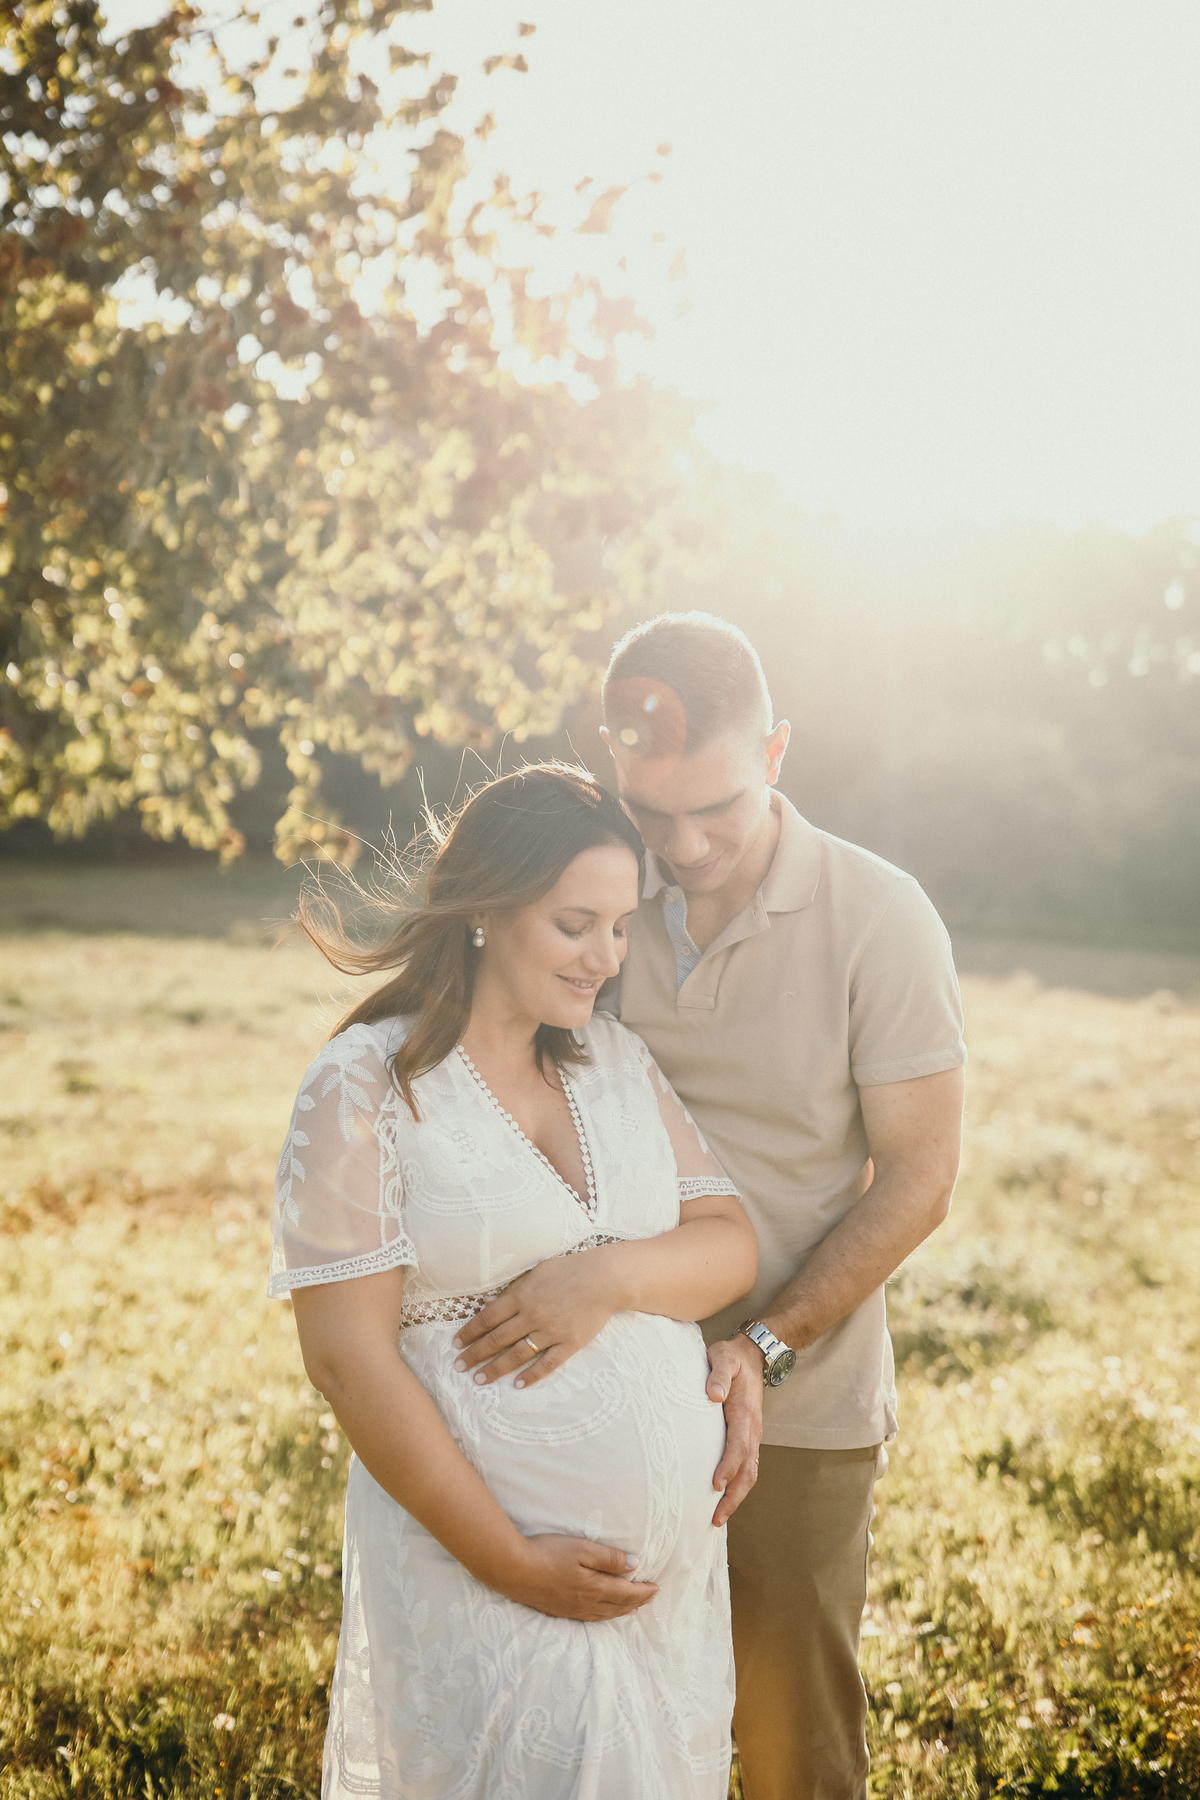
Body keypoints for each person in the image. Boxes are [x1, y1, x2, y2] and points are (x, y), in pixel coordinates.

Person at [267, 763, 759, 1800]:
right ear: (487, 908)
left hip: (663, 1605)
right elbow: (346, 1359)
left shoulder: (614, 1062)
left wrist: (609, 1277)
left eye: (621, 927)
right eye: (577, 923)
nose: (606, 958)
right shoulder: (367, 1082)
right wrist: (507, 1559)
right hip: (485, 1573)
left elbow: (729, 1242)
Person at [582, 611, 967, 1800]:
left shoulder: (881, 914)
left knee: (793, 1748)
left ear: (777, 754)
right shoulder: (592, 895)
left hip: (799, 1406)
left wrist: (762, 1346)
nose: (684, 847)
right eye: (652, 814)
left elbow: (918, 1178)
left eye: (718, 809)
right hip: (609, 1383)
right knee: (619, 1723)